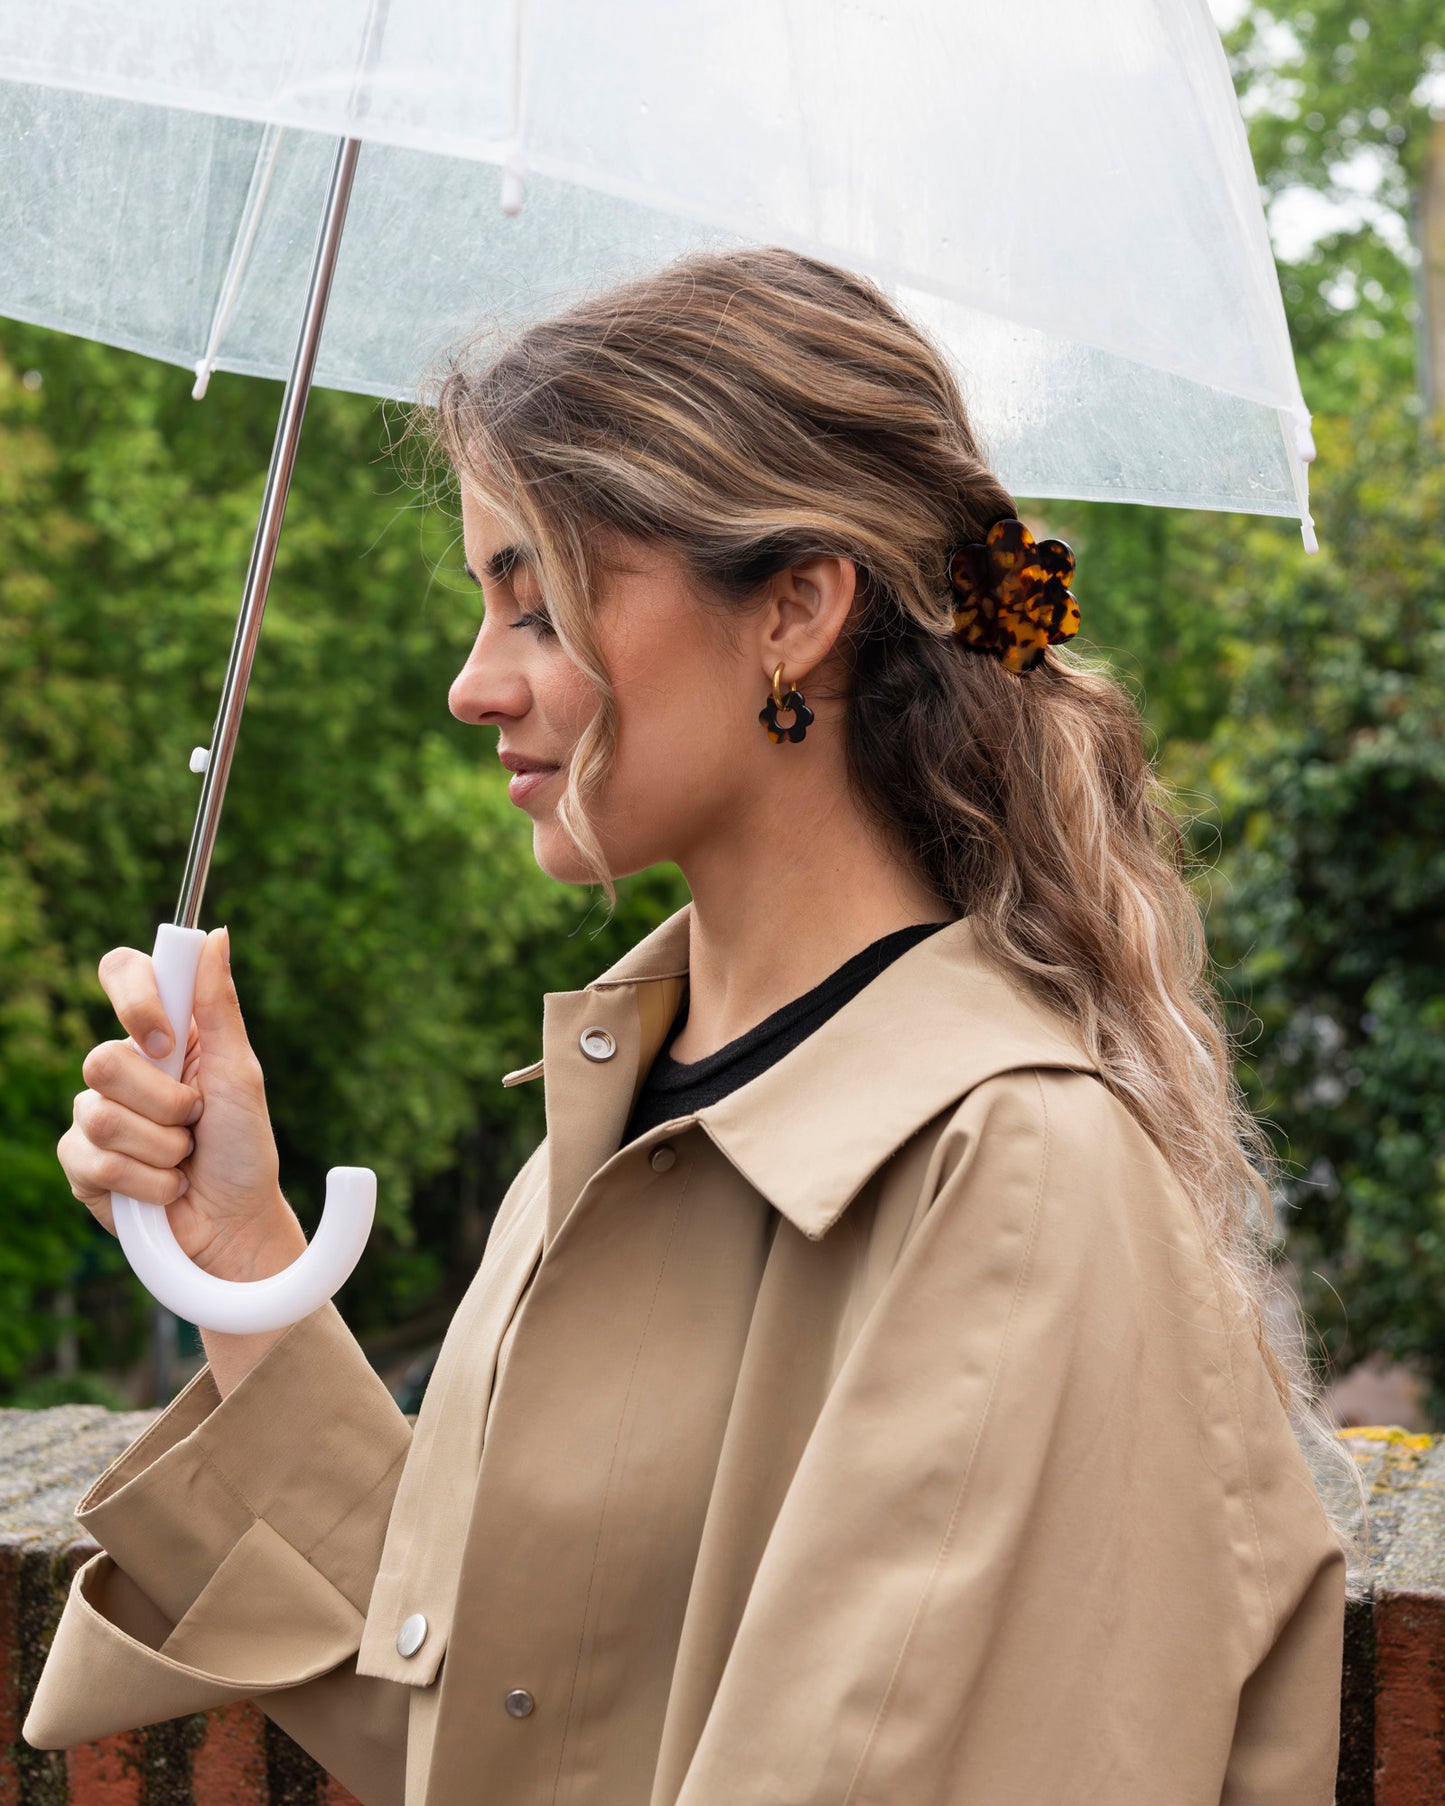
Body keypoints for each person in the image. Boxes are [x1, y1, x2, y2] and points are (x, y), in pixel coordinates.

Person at [26, 245, 1357, 1804]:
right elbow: (497, 1725)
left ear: (793, 609)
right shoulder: (620, 1118)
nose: (472, 684)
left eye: (537, 607)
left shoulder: (1010, 1177)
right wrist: (243, 1251)